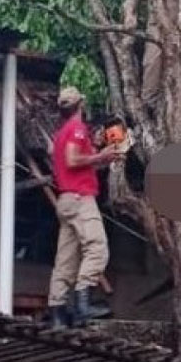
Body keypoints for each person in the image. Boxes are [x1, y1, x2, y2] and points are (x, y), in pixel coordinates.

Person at [48, 86, 123, 327]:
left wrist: (100, 156)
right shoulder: (77, 128)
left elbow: (74, 163)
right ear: (81, 104)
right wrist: (101, 157)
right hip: (80, 199)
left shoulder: (60, 134)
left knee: (66, 259)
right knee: (97, 248)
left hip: (66, 200)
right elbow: (72, 160)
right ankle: (83, 305)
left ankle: (58, 312)